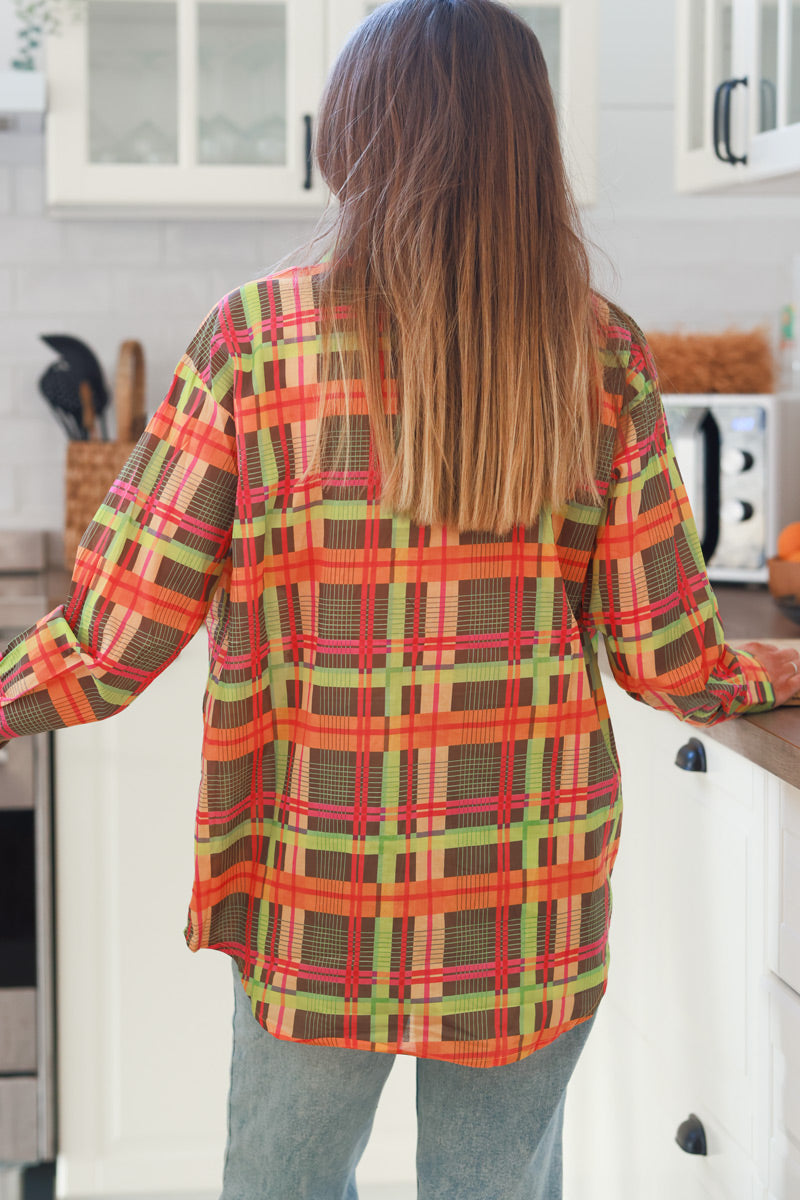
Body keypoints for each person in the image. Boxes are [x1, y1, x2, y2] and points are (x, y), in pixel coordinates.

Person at [2, 1, 799, 1197]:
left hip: (311, 895)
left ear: (355, 138)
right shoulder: (597, 356)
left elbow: (109, 644)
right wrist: (784, 670)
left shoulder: (252, 346)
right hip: (522, 901)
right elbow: (669, 658)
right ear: (529, 142)